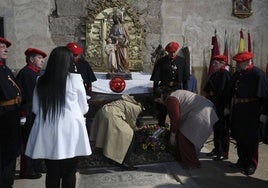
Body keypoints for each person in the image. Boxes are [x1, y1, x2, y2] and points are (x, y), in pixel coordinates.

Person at [25, 46, 92, 188]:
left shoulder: (41, 80)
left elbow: (36, 109)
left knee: (52, 172)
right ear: (67, 62)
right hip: (70, 130)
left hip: (48, 129)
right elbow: (84, 108)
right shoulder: (75, 79)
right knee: (69, 171)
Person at [154, 89, 218, 169]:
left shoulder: (171, 99)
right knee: (183, 134)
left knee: (184, 137)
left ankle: (192, 163)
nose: (158, 101)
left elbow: (175, 118)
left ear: (162, 95)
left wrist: (173, 135)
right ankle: (184, 158)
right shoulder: (174, 94)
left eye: (158, 99)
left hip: (203, 111)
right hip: (202, 109)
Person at [228, 51, 268, 175]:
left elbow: (266, 96)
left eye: (239, 63)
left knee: (251, 139)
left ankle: (251, 163)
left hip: (253, 110)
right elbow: (230, 90)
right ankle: (242, 160)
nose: (238, 65)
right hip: (239, 109)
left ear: (247, 62)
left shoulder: (258, 74)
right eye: (237, 63)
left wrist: (264, 113)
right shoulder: (238, 74)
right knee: (240, 137)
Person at [16, 48, 47, 179]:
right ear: (32, 59)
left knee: (37, 139)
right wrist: (23, 114)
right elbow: (24, 96)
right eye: (39, 58)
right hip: (28, 112)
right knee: (28, 141)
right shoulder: (26, 73)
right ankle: (27, 169)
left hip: (36, 111)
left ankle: (37, 165)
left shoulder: (36, 73)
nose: (42, 61)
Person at [90, 94, 143, 170]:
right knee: (129, 135)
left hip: (104, 111)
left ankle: (112, 158)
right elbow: (131, 121)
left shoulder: (126, 102)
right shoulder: (137, 107)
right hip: (111, 115)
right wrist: (136, 128)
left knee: (112, 135)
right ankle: (125, 161)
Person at [150, 41, 190, 126]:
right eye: (170, 52)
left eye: (174, 52)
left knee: (175, 113)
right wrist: (156, 94)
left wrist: (186, 93)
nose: (172, 54)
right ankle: (161, 129)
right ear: (167, 52)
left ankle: (174, 132)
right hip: (164, 89)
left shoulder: (182, 62)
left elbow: (185, 80)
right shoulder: (161, 62)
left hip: (177, 90)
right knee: (162, 112)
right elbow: (156, 80)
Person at [0, 37, 22, 187]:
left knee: (11, 154)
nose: (6, 49)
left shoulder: (5, 69)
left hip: (11, 116)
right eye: (2, 46)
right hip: (2, 118)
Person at [203, 54, 231, 160]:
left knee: (223, 130)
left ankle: (223, 152)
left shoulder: (225, 75)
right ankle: (217, 149)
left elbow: (227, 92)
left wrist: (227, 107)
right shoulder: (215, 74)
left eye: (216, 63)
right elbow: (208, 88)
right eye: (214, 63)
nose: (213, 65)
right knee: (216, 128)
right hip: (215, 105)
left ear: (223, 63)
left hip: (222, 106)